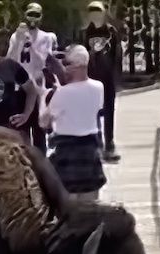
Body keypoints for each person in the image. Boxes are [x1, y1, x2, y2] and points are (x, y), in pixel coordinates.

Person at [39, 44, 106, 202]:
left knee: (68, 209)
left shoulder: (62, 94)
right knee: (91, 206)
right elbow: (79, 100)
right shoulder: (99, 87)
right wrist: (60, 90)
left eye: (66, 63)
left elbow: (43, 122)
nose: (63, 67)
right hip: (90, 150)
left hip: (67, 152)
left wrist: (43, 97)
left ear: (77, 66)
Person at [6, 2, 58, 154]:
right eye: (30, 14)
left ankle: (41, 166)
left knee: (39, 133)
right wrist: (19, 42)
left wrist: (30, 44)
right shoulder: (16, 36)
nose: (33, 18)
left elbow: (43, 62)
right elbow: (10, 61)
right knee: (20, 131)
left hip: (37, 88)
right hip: (19, 88)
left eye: (36, 15)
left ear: (41, 17)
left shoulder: (46, 37)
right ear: (25, 16)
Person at [81, 0, 121, 162]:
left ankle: (109, 144)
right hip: (90, 78)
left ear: (104, 13)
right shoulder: (84, 33)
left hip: (108, 78)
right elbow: (79, 55)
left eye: (98, 11)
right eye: (92, 11)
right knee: (93, 112)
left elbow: (117, 55)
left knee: (109, 111)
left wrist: (117, 76)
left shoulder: (111, 32)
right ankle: (96, 144)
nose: (95, 14)